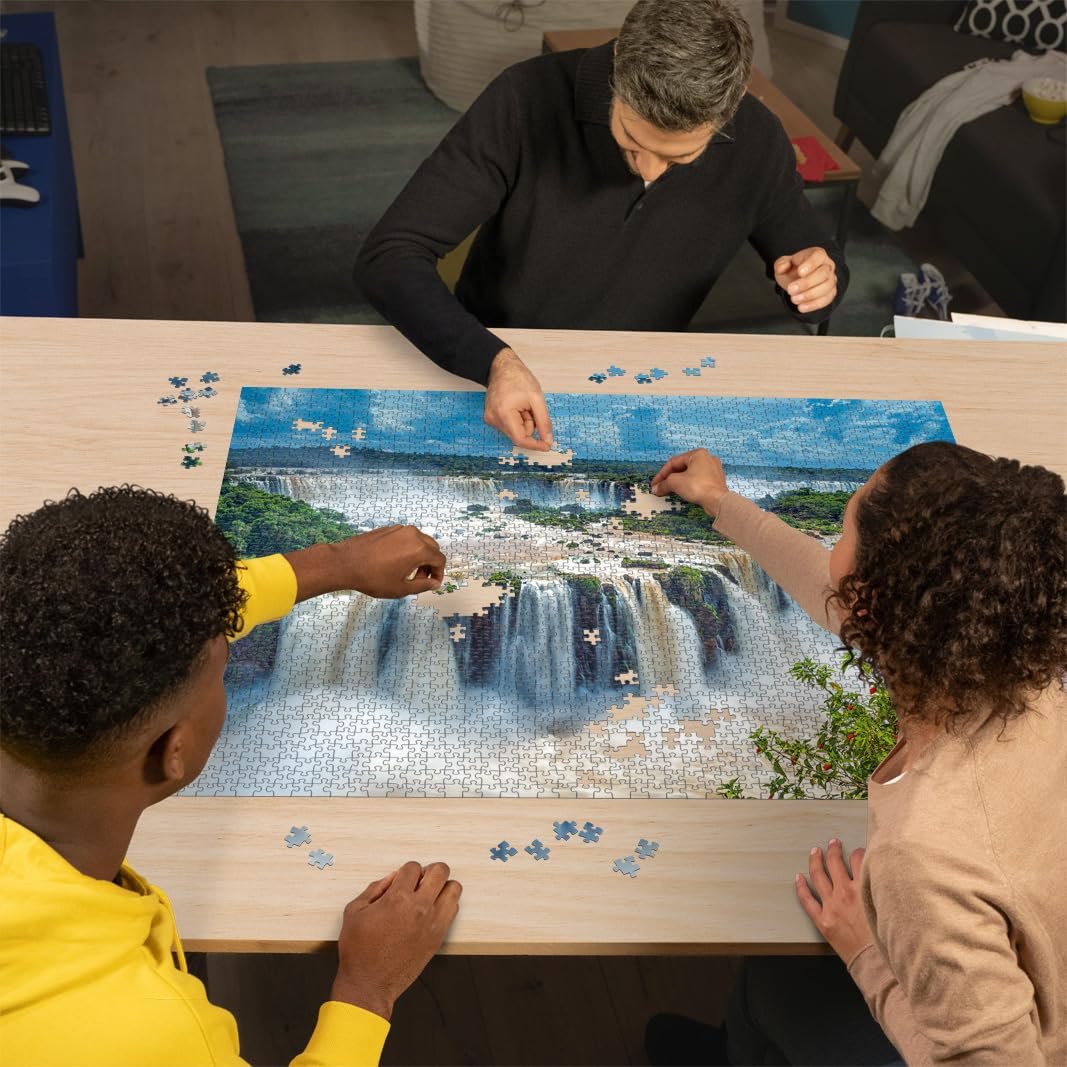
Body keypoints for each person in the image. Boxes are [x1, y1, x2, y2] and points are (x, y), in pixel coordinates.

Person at [0, 486, 458, 1066]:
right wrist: (366, 992)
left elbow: (136, 622)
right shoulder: (165, 1036)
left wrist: (335, 563)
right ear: (176, 748)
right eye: (219, 669)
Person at [644, 441, 1066, 1063]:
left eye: (843, 527)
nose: (833, 549)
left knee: (779, 983)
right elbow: (833, 588)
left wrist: (868, 955)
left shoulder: (922, 855)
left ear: (872, 599)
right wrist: (722, 504)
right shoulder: (1016, 648)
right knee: (771, 979)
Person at [356, 0, 849, 452]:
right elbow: (389, 257)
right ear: (618, 77)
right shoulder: (524, 98)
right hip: (486, 357)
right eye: (633, 141)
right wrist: (493, 360)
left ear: (729, 108)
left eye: (680, 156)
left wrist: (816, 281)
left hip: (640, 381)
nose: (652, 171)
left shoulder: (758, 141)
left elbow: (817, 264)